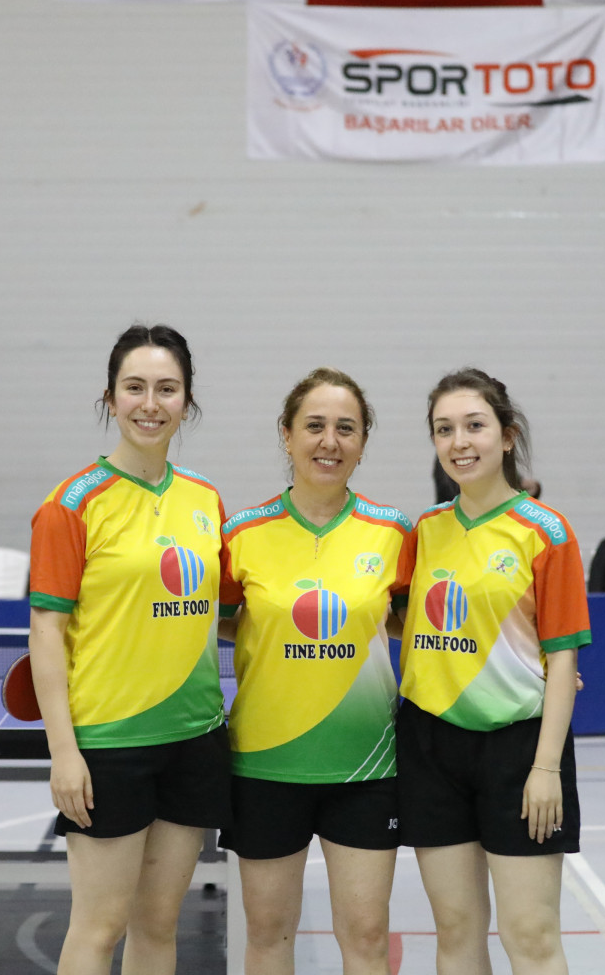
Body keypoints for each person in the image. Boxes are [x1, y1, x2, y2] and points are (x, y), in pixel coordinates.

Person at [26, 324, 231, 975]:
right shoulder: (71, 505)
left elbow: (227, 615)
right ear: (110, 397)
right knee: (99, 926)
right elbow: (46, 633)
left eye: (167, 389)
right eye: (134, 387)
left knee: (158, 922)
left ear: (187, 401)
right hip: (110, 744)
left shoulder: (205, 499)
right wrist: (64, 752)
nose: (150, 403)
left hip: (194, 736)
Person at [218, 368, 412, 975]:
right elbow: (207, 621)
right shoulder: (241, 534)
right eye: (315, 426)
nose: (330, 441)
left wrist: (539, 663)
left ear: (363, 442)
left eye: (346, 428)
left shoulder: (395, 533)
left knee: (367, 936)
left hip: (365, 765)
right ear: (287, 434)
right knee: (268, 934)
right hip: (266, 762)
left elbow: (425, 626)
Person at [399, 368, 588, 975]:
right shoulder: (423, 531)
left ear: (507, 436)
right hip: (431, 745)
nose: (459, 442)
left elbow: (564, 659)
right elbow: (389, 619)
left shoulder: (546, 531)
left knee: (529, 934)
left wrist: (545, 767)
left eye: (474, 426)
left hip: (519, 751)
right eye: (444, 429)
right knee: (456, 930)